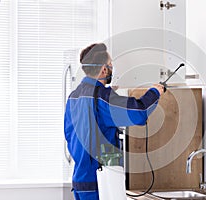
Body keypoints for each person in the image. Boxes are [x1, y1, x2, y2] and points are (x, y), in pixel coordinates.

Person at [64, 43, 164, 200]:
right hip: (100, 182)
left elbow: (71, 135)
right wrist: (155, 92)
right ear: (104, 69)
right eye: (110, 65)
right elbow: (139, 112)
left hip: (80, 180)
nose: (112, 69)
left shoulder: (74, 96)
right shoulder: (102, 97)